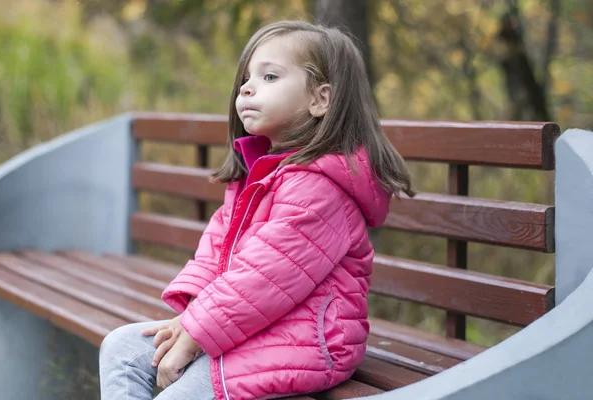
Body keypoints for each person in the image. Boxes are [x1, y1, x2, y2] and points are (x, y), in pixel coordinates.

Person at [99, 19, 412, 400]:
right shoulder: (258, 173)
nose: (247, 87)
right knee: (122, 348)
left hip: (307, 340)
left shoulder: (319, 189)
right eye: (247, 77)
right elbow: (215, 252)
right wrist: (190, 316)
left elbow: (263, 279)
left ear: (320, 99)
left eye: (269, 77)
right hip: (250, 325)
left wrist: (195, 335)